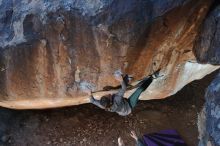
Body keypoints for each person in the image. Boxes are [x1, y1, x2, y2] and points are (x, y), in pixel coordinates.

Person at [88, 72, 159, 116]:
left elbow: (92, 101)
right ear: (110, 100)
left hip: (121, 107)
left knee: (112, 90)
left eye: (105, 95)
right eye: (107, 96)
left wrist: (89, 93)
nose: (107, 94)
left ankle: (127, 79)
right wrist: (121, 80)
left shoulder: (102, 104)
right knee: (139, 90)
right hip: (128, 107)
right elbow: (124, 88)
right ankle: (152, 78)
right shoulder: (116, 100)